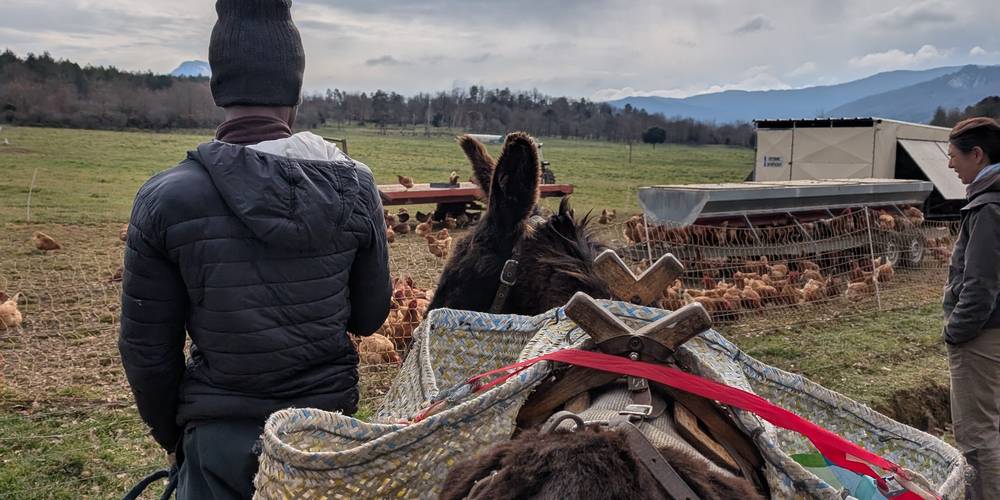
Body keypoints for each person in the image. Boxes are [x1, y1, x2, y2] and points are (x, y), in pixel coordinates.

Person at [118, 1, 392, 497]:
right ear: (294, 91)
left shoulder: (166, 197)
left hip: (219, 440)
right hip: (322, 435)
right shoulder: (356, 186)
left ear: (219, 86)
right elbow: (370, 318)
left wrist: (175, 436)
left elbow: (147, 353)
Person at [943, 116, 1000, 498]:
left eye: (953, 156)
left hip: (983, 336)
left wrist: (956, 331)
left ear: (977, 155)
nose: (949, 165)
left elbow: (981, 283)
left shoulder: (989, 208)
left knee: (979, 436)